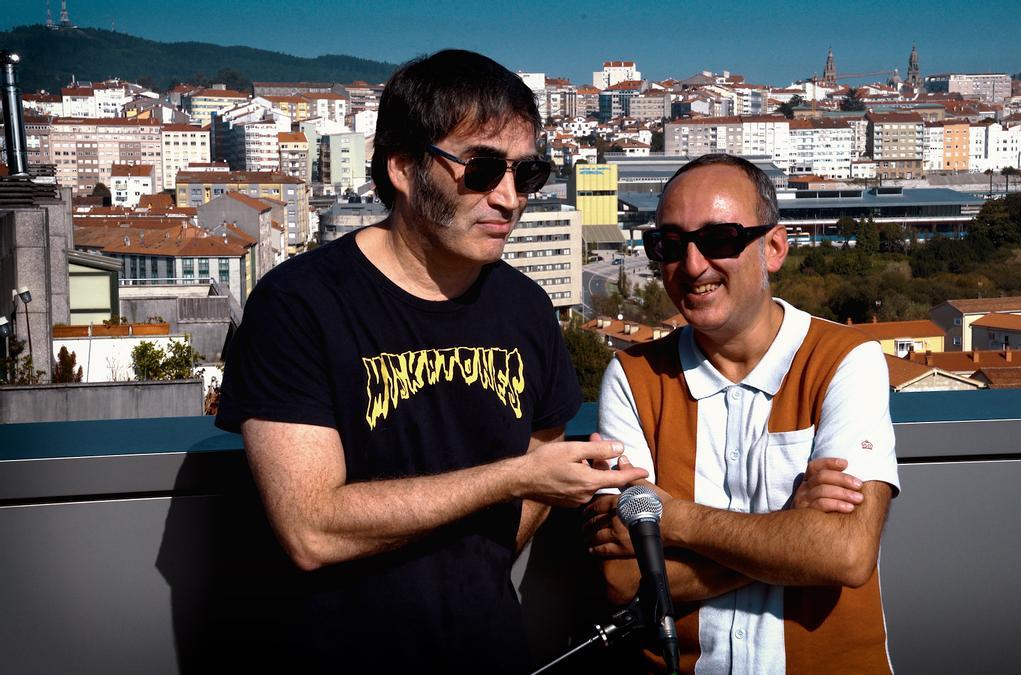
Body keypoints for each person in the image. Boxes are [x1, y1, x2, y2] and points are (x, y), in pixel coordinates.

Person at [215, 49, 646, 673]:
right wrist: (512, 479)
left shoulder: (525, 308)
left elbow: (543, 441)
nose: (509, 199)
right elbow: (310, 529)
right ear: (403, 167)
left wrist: (482, 563)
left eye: (526, 174)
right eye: (482, 168)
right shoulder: (300, 305)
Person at [584, 154, 900, 674]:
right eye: (669, 244)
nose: (692, 265)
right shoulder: (633, 377)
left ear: (773, 248)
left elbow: (845, 555)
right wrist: (790, 532)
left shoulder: (846, 359)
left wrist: (673, 520)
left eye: (721, 239)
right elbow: (624, 579)